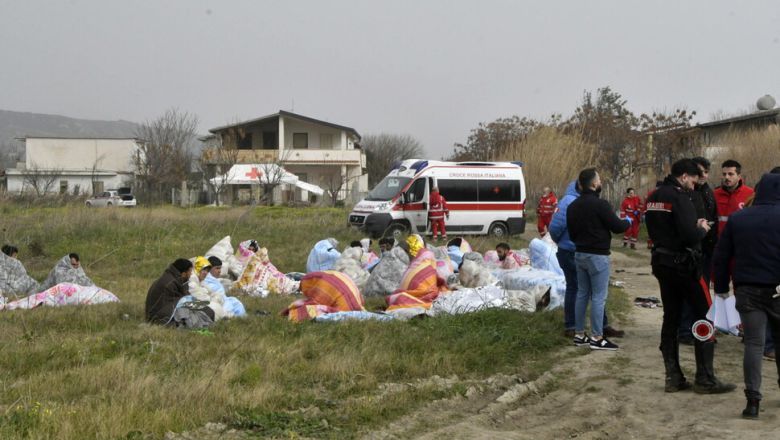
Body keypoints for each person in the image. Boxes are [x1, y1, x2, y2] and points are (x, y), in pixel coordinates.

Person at [646, 158, 735, 394]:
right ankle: (705, 378)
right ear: (684, 176)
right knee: (706, 314)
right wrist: (702, 228)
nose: (695, 184)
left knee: (671, 317)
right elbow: (689, 235)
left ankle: (673, 376)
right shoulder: (680, 197)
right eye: (694, 179)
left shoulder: (653, 196)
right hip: (685, 265)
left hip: (662, 263)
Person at [713, 172, 780, 418]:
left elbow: (721, 256)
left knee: (754, 343)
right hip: (778, 289)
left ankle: (753, 401)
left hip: (747, 289)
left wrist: (720, 287)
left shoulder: (738, 219)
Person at [550, 180, 624, 339]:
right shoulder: (570, 202)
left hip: (576, 250)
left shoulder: (574, 202)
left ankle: (579, 330)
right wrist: (566, 243)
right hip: (574, 251)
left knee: (583, 290)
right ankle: (592, 331)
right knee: (588, 291)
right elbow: (555, 227)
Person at [567, 168, 631, 350]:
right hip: (598, 256)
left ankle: (579, 334)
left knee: (582, 294)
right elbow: (617, 226)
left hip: (579, 253)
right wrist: (628, 222)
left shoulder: (573, 206)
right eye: (599, 179)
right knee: (598, 297)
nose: (601, 182)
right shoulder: (600, 205)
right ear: (594, 184)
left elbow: (571, 233)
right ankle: (597, 337)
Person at [145, 258, 193, 324]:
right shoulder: (171, 283)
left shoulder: (171, 277)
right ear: (184, 274)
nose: (191, 274)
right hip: (156, 317)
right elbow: (181, 301)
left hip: (154, 313)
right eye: (190, 271)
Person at [714, 159, 754, 236]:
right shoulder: (715, 194)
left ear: (739, 176)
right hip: (720, 241)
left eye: (730, 174)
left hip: (741, 240)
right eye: (724, 174)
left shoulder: (750, 194)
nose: (726, 177)